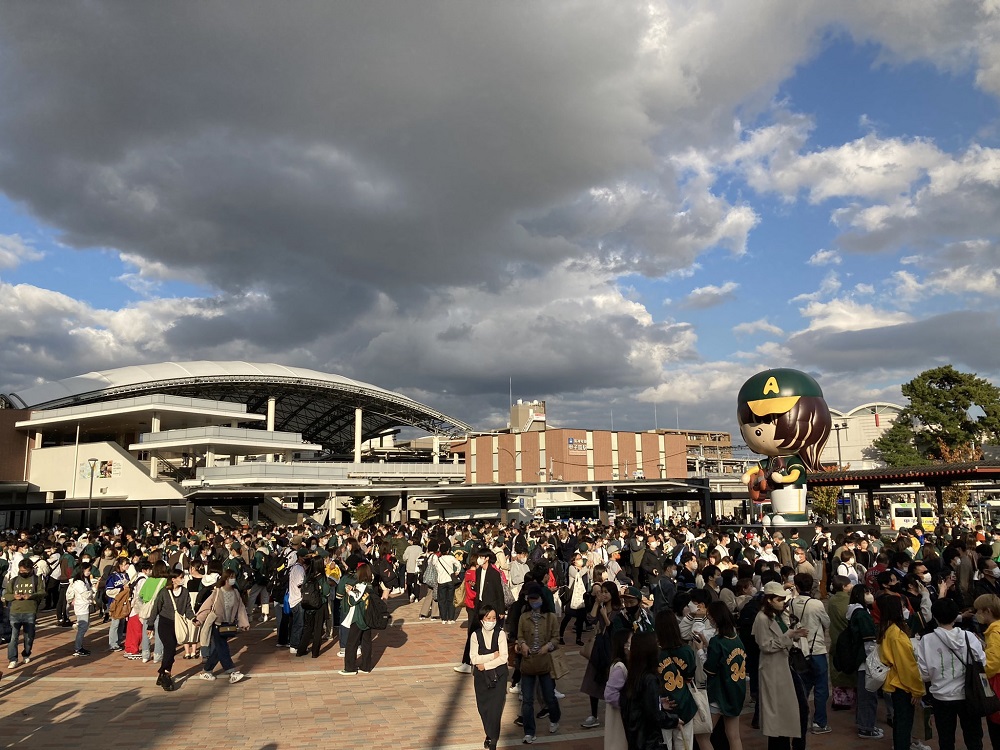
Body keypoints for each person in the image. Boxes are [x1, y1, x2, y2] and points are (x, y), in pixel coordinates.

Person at [915, 597, 984, 750]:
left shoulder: (926, 640)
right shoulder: (969, 637)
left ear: (935, 616)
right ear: (955, 616)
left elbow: (923, 673)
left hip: (941, 696)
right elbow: (982, 663)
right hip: (969, 695)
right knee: (974, 738)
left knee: (946, 740)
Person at [752, 580, 809, 750]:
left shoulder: (778, 615)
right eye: (779, 599)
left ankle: (797, 744)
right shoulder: (762, 618)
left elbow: (782, 637)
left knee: (799, 708)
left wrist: (794, 635)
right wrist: (788, 636)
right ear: (769, 599)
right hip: (774, 670)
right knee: (780, 714)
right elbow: (765, 645)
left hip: (786, 666)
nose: (783, 602)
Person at [515, 582, 561, 744]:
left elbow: (556, 638)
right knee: (527, 700)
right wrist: (522, 645)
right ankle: (529, 731)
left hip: (545, 663)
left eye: (536, 599)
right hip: (528, 663)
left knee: (549, 696)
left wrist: (547, 646)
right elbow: (519, 636)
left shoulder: (550, 618)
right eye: (531, 599)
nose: (533, 602)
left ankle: (555, 718)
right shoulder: (523, 617)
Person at [877, 594, 925, 750]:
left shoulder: (888, 629)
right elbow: (907, 666)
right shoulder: (896, 634)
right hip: (903, 685)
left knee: (900, 723)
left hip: (896, 682)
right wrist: (917, 690)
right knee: (904, 724)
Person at [623, 629, 680, 750]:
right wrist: (674, 721)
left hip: (635, 737)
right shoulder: (649, 679)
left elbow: (640, 705)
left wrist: (658, 702)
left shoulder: (634, 675)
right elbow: (654, 715)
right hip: (649, 741)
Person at [789, 572, 831, 734]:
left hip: (800, 650)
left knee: (803, 686)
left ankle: (801, 720)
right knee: (821, 687)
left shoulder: (791, 603)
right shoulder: (816, 604)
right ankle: (819, 723)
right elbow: (826, 622)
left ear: (797, 587)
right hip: (817, 648)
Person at [702, 601, 746, 750]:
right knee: (734, 735)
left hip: (719, 694)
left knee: (703, 736)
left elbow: (710, 670)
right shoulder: (736, 639)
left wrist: (701, 651)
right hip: (736, 691)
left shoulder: (717, 641)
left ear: (715, 618)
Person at [146, 568, 197, 691]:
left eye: (183, 577)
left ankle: (162, 674)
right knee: (169, 648)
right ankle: (166, 674)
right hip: (165, 623)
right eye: (180, 577)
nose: (182, 579)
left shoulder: (185, 592)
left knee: (171, 651)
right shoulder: (164, 592)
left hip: (178, 625)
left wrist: (194, 619)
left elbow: (188, 608)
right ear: (173, 579)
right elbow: (155, 608)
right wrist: (150, 625)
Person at [194, 567, 248, 683]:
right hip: (217, 624)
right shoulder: (217, 592)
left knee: (218, 650)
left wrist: (244, 622)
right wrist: (199, 619)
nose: (233, 580)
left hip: (229, 624)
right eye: (231, 577)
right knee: (223, 648)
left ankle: (206, 671)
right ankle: (231, 671)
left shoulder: (236, 592)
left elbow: (240, 608)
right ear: (226, 579)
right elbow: (206, 606)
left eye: (234, 577)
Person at [579, 580, 621, 729]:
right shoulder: (601, 607)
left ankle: (617, 712)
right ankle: (594, 714)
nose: (603, 594)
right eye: (602, 592)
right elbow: (590, 619)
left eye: (606, 592)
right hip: (598, 648)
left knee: (612, 681)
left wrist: (605, 617)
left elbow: (614, 630)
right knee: (593, 680)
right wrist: (596, 604)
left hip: (611, 649)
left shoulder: (617, 610)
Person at [655, 609, 697, 750]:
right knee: (685, 746)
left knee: (664, 746)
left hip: (663, 707)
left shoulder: (655, 652)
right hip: (684, 704)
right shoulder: (686, 650)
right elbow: (689, 677)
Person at [845, 583, 882, 739]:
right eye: (867, 592)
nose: (870, 595)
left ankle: (865, 724)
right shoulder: (861, 614)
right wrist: (874, 660)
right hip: (866, 660)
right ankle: (866, 727)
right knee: (868, 695)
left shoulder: (857, 612)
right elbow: (869, 640)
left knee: (865, 694)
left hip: (862, 659)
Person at [470, 604, 508, 750]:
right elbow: (474, 658)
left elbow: (503, 658)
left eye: (493, 618)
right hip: (481, 678)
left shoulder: (501, 634)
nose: (491, 621)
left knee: (496, 708)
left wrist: (485, 664)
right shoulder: (475, 635)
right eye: (488, 618)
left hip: (499, 676)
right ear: (481, 619)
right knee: (483, 708)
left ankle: (493, 739)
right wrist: (492, 656)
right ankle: (489, 733)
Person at [3, 558, 44, 669]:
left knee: (29, 637)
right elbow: (6, 595)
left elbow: (42, 592)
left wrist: (30, 596)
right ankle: (13, 659)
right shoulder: (14, 580)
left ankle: (26, 653)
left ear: (31, 569)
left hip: (30, 611)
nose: (23, 573)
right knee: (13, 637)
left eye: (25, 571)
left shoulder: (36, 579)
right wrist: (13, 597)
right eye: (21, 570)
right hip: (15, 612)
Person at [340, 562, 376, 675]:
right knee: (366, 642)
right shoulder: (370, 586)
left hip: (358, 617)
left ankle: (350, 668)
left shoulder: (361, 585)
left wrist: (349, 591)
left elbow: (353, 601)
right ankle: (366, 666)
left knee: (351, 643)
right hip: (368, 617)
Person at [974, 593, 1000, 750]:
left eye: (979, 611)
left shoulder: (994, 633)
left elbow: (993, 663)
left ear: (988, 611)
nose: (977, 615)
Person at [826, 575, 854, 711]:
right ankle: (847, 700)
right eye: (849, 584)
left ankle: (839, 700)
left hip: (835, 637)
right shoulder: (847, 601)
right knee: (847, 670)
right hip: (846, 639)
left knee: (836, 668)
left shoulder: (832, 600)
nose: (851, 586)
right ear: (844, 587)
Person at [295, 555, 331, 658]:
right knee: (318, 629)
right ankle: (315, 653)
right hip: (320, 605)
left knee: (308, 628)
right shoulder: (322, 577)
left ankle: (300, 650)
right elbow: (326, 592)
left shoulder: (308, 575)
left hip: (308, 604)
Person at [602, 629, 630, 750]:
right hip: (619, 719)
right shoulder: (620, 667)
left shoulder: (625, 664)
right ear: (624, 645)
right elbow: (610, 694)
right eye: (631, 641)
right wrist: (629, 704)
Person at [67, 561, 95, 656]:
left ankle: (79, 646)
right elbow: (86, 594)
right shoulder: (78, 582)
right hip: (81, 606)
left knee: (84, 626)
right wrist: (92, 591)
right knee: (83, 628)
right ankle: (78, 648)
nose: (89, 572)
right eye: (87, 570)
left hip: (85, 605)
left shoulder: (85, 580)